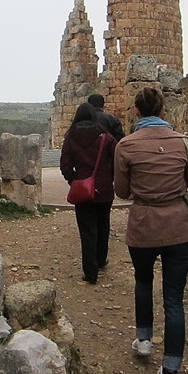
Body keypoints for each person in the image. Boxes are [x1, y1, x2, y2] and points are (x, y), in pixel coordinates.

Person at [113, 87, 188, 374]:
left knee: (143, 282)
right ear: (163, 111)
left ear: (136, 112)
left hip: (144, 224)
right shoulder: (182, 142)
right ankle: (171, 368)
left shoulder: (126, 145)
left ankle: (144, 340)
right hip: (178, 227)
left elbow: (122, 192)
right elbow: (187, 181)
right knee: (174, 298)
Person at [60, 102, 117, 285]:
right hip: (104, 188)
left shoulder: (71, 136)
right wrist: (109, 178)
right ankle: (100, 260)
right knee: (103, 225)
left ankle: (90, 272)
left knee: (87, 231)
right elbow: (116, 160)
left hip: (83, 188)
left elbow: (65, 163)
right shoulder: (105, 137)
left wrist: (74, 180)